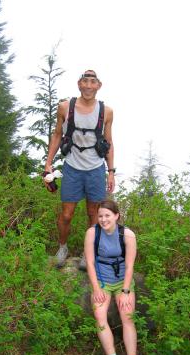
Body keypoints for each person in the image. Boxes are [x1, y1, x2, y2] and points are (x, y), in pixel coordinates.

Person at [44, 70, 115, 269]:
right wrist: (48, 164)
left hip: (95, 169)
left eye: (93, 82)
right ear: (79, 84)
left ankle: (87, 253)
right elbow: (57, 134)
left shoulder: (106, 111)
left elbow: (108, 142)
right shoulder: (65, 107)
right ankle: (62, 248)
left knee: (93, 213)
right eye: (85, 81)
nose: (88, 86)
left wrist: (111, 171)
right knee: (67, 214)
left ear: (98, 85)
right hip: (72, 168)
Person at [84, 199, 138, 355]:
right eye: (100, 216)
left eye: (107, 215)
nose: (103, 219)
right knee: (99, 316)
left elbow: (130, 265)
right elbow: (90, 263)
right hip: (102, 281)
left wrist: (125, 291)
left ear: (117, 216)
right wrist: (97, 288)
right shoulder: (92, 233)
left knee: (127, 316)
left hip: (123, 281)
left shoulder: (127, 234)